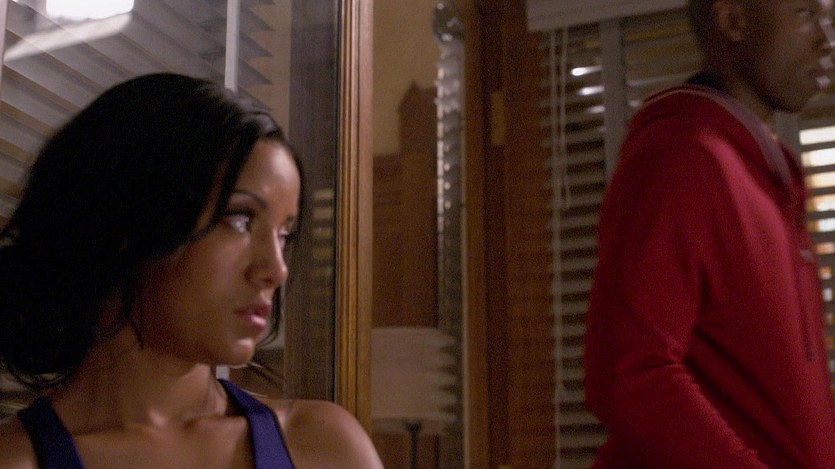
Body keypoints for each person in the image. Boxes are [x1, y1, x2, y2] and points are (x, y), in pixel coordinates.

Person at [0, 73, 383, 469]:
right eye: (240, 219)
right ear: (130, 222)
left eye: (284, 235)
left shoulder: (322, 447)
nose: (277, 270)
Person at [584, 0, 835, 467]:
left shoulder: (769, 174)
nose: (826, 39)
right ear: (733, 20)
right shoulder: (681, 155)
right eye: (804, 13)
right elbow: (629, 371)